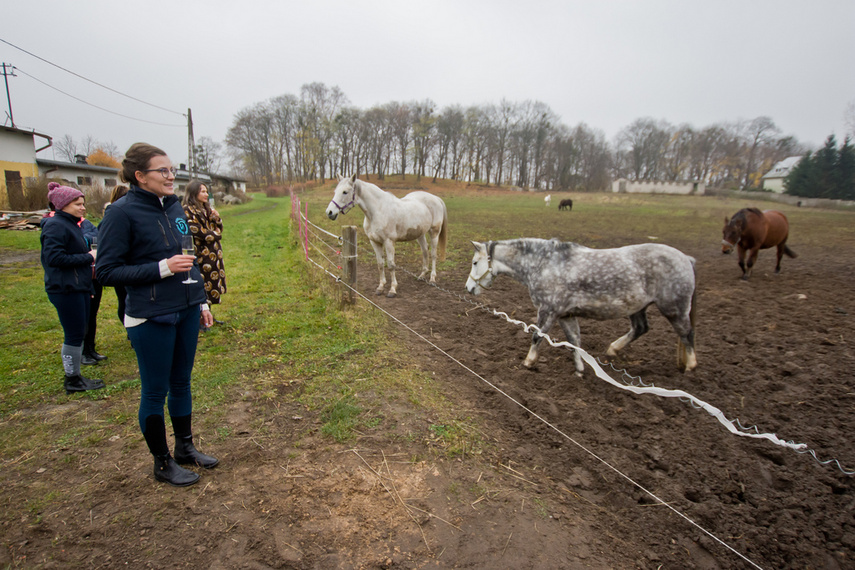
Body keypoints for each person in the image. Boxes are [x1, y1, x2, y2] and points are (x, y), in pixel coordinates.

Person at [96, 143, 217, 487]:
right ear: (140, 176)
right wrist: (161, 268)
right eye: (162, 171)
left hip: (186, 310)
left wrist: (201, 302)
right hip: (150, 316)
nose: (170, 177)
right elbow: (106, 272)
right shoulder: (120, 214)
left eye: (172, 171)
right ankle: (162, 462)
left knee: (181, 382)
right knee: (155, 390)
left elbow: (188, 257)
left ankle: (185, 448)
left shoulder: (176, 206)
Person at [40, 182, 105, 395]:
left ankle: (76, 376)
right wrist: (88, 257)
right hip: (65, 288)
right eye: (78, 204)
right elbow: (54, 258)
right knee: (74, 334)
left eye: (83, 203)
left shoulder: (71, 224)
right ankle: (72, 379)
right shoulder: (55, 226)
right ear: (63, 204)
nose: (83, 208)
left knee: (80, 331)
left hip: (78, 286)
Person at [183, 180, 227, 325]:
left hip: (213, 255)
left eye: (206, 191)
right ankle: (199, 320)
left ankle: (209, 317)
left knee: (212, 284)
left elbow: (219, 228)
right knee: (201, 286)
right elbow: (199, 233)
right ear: (194, 192)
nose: (206, 194)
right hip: (201, 255)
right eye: (202, 191)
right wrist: (216, 234)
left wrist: (217, 218)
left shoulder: (207, 209)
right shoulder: (187, 210)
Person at [104, 185, 129, 325]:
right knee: (124, 299)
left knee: (124, 299)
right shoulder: (113, 215)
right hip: (121, 266)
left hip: (125, 264)